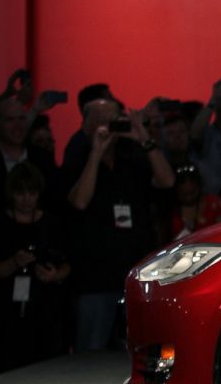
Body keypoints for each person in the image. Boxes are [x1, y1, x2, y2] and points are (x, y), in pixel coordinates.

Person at [63, 99, 175, 351]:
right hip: (95, 278)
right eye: (101, 120)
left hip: (135, 272)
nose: (109, 126)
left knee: (140, 349)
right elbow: (79, 201)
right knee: (89, 355)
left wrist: (143, 137)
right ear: (86, 125)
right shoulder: (78, 156)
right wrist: (96, 153)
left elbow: (167, 181)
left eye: (114, 118)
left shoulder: (134, 155)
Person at [0, 162, 71, 372]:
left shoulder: (51, 224)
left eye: (32, 193)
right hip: (5, 313)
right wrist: (13, 263)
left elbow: (69, 265)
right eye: (21, 193)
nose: (27, 199)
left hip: (44, 309)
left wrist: (54, 275)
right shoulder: (0, 225)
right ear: (12, 194)